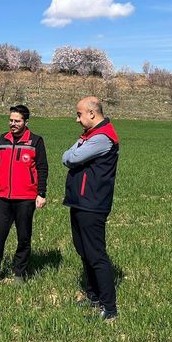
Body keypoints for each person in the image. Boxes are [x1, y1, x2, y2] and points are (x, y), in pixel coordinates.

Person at [62, 96, 120, 320]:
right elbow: (67, 156)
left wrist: (75, 153)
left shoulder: (102, 137)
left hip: (92, 204)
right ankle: (93, 296)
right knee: (83, 251)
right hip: (80, 201)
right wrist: (74, 152)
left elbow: (72, 157)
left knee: (96, 255)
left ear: (92, 114)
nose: (77, 119)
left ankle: (109, 309)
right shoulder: (90, 135)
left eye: (79, 114)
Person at [0, 104, 48, 284]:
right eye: (11, 120)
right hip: (4, 197)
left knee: (23, 237)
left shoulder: (35, 141)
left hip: (26, 198)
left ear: (26, 122)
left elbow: (42, 168)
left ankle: (19, 274)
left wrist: (41, 193)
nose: (13, 124)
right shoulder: (3, 139)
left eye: (17, 121)